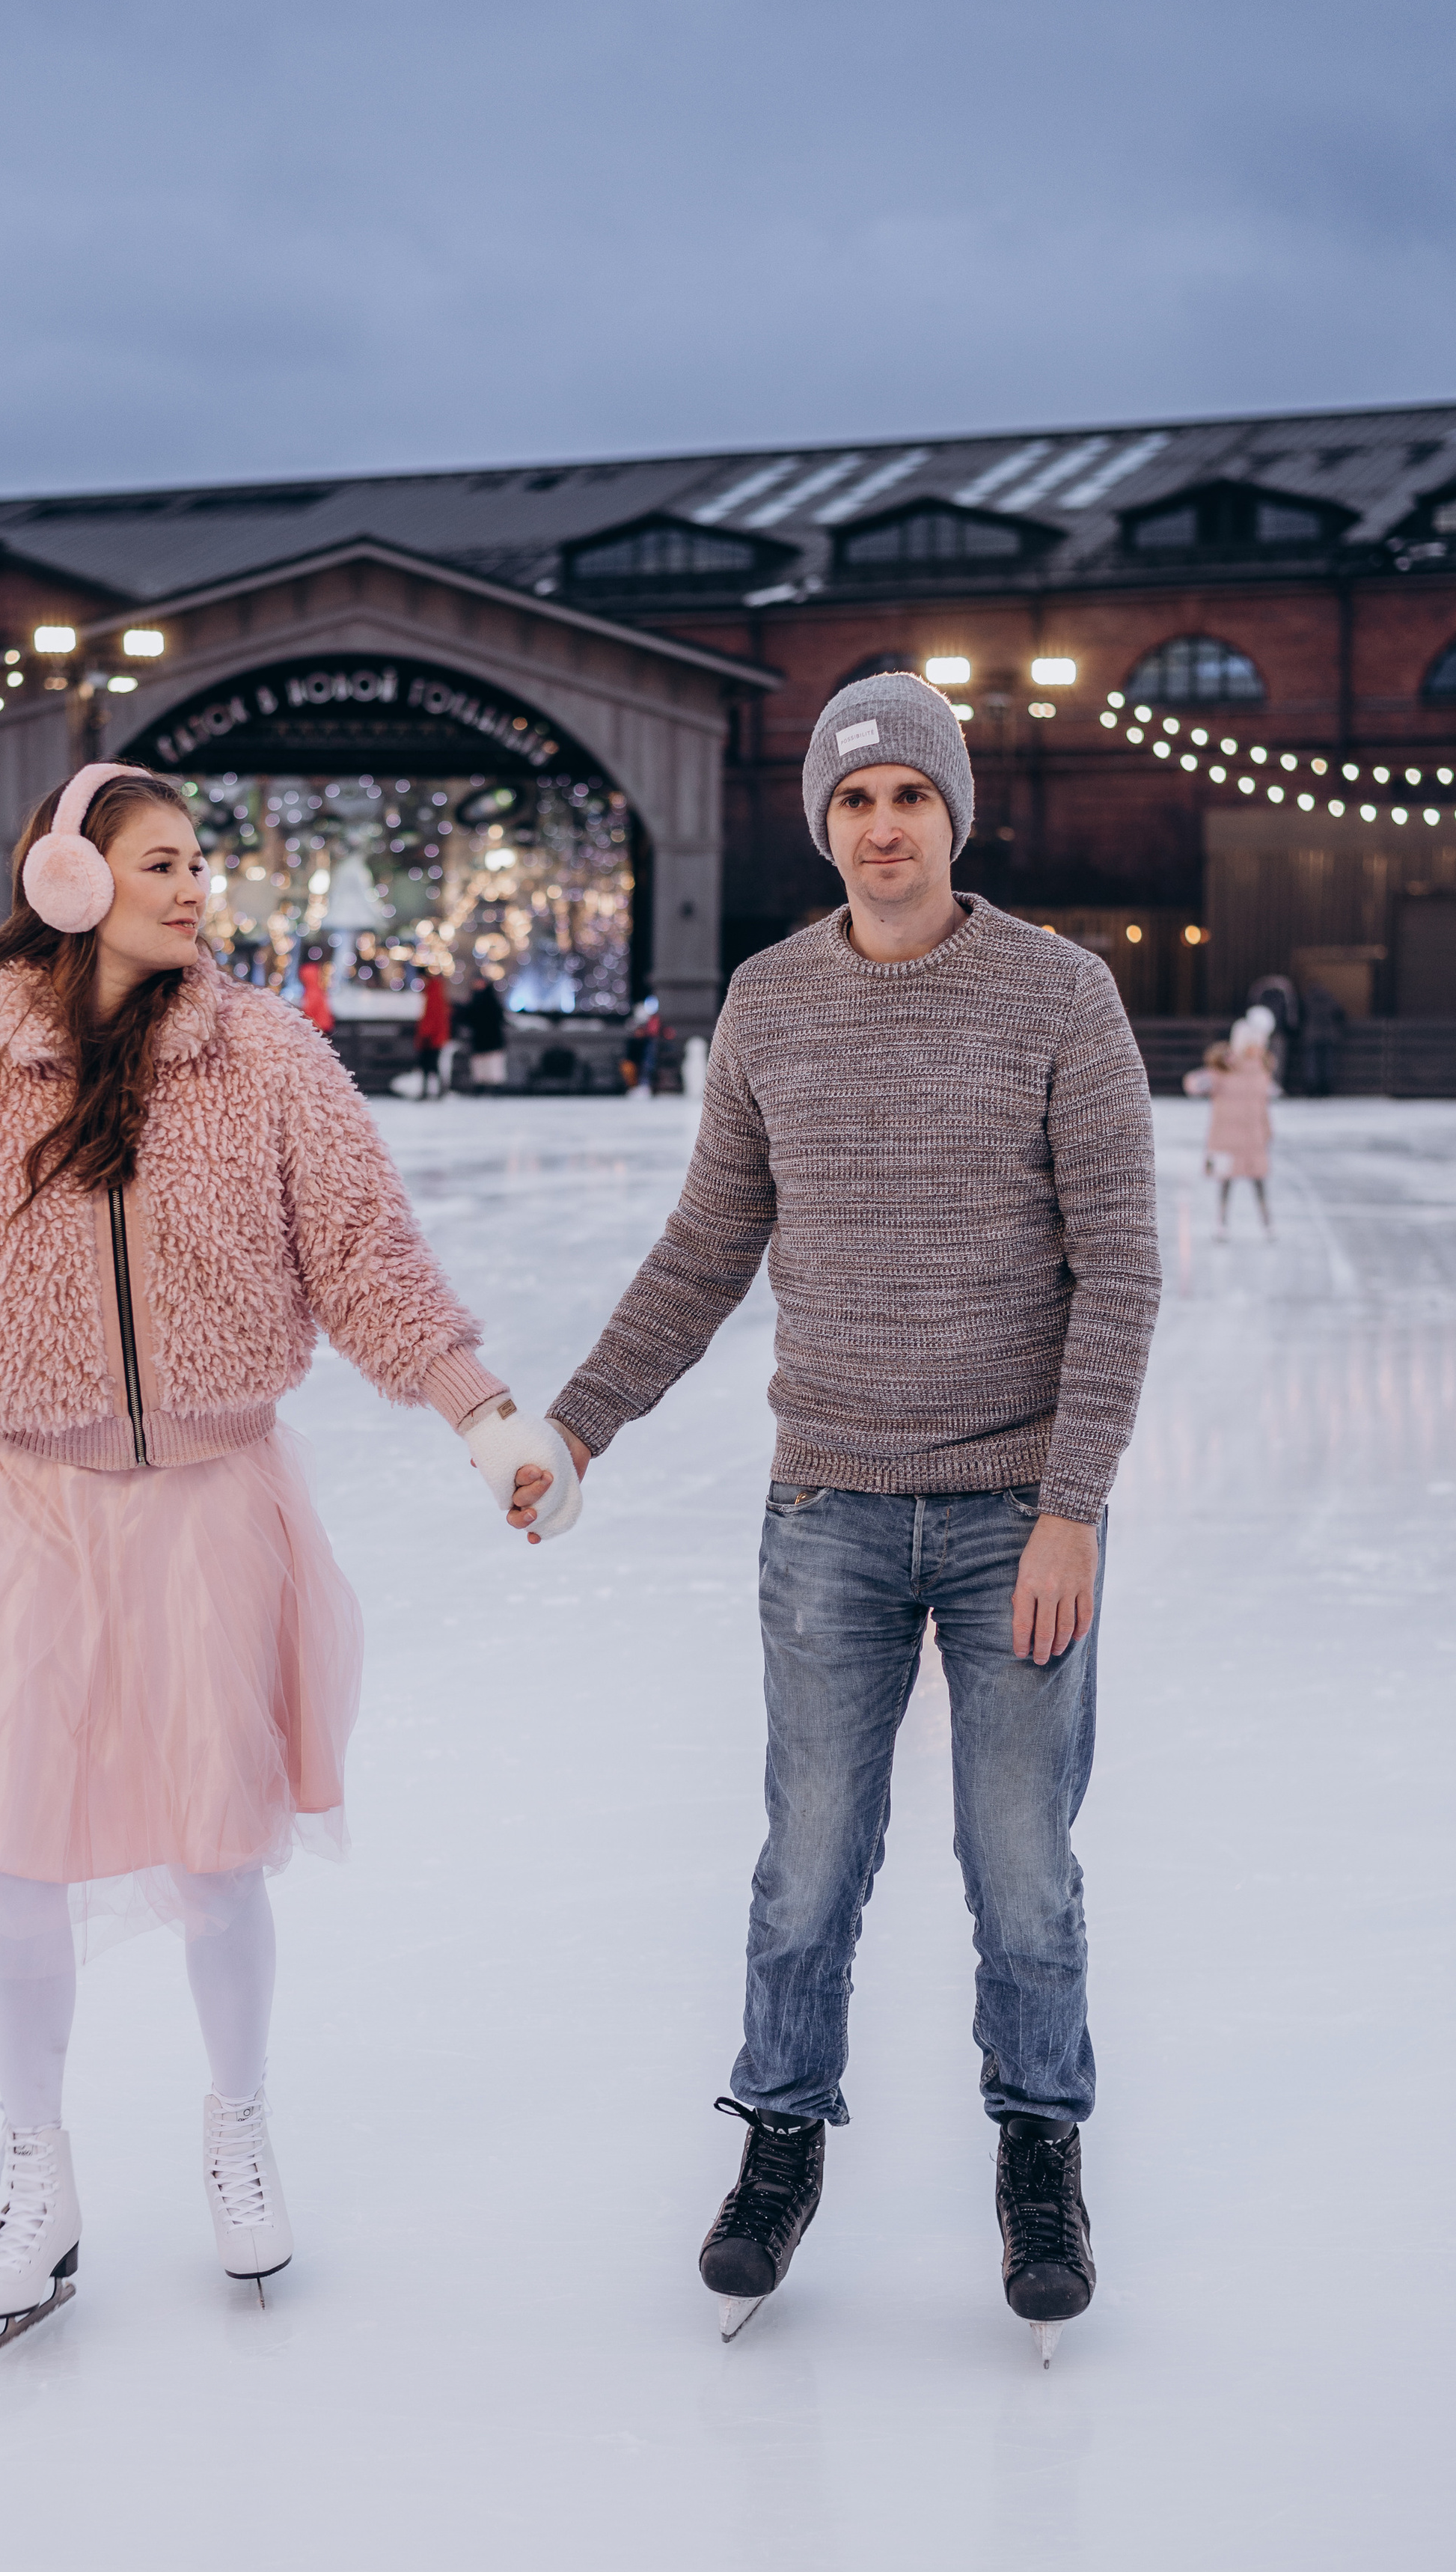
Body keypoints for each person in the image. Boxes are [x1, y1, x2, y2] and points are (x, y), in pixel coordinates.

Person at [0, 764, 581, 2353]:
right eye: (160, 861)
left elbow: (365, 1256)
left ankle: (238, 2124)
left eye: (198, 859)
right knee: (19, 1848)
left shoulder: (265, 1055)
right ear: (69, 881)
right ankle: (34, 2163)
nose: (194, 885)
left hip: (216, 1494)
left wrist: (484, 1412)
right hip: (27, 1502)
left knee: (220, 1846)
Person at [507, 674, 1160, 2359]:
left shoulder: (1060, 995)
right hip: (830, 1512)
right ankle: (780, 2137)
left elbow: (1119, 1272)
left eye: (909, 797)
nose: (883, 827)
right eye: (855, 801)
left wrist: (1073, 1508)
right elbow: (704, 1251)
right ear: (823, 823)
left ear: (954, 815)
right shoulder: (770, 1002)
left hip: (1016, 1509)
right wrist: (578, 1422)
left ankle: (1040, 2152)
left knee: (1020, 1864)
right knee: (807, 1859)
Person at [1185, 1013, 1276, 1237]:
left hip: (1253, 1138)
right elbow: (1194, 1084)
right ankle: (1221, 1223)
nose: (1256, 1049)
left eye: (1258, 1044)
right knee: (1226, 1182)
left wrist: (1267, 1131)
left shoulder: (1261, 1071)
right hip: (1227, 1139)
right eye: (1251, 1045)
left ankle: (1267, 1224)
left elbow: (1262, 1106)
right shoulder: (1225, 1069)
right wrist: (1212, 1070)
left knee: (1259, 1181)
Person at [462, 973, 509, 1090]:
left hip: (492, 1039)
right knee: (480, 1066)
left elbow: (498, 1017)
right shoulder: (474, 999)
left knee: (493, 1066)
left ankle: (493, 1088)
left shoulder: (490, 999)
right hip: (480, 1039)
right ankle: (482, 1087)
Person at [413, 963, 452, 1098]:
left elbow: (433, 1016)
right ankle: (434, 1091)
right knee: (430, 1065)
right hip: (432, 1035)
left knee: (431, 1064)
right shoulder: (432, 990)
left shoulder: (433, 991)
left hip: (432, 1037)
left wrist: (426, 1033)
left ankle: (435, 1091)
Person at [1303, 982, 1346, 1096]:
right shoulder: (1330, 999)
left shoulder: (1308, 1000)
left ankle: (1312, 1085)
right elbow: (1340, 1013)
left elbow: (1301, 1014)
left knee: (1312, 1061)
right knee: (1328, 1061)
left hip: (1312, 1034)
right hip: (1328, 1034)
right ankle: (1326, 1085)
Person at [298, 951, 334, 1036]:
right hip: (323, 1025)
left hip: (317, 1026)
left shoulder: (311, 992)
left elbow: (309, 1010)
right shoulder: (320, 991)